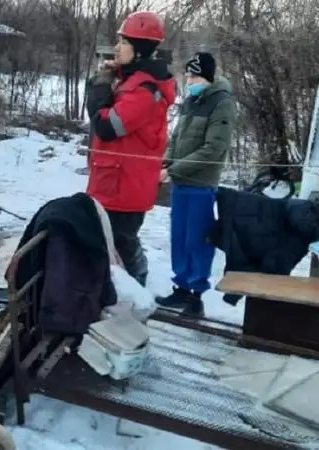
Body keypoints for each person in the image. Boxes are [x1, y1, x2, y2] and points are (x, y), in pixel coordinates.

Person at [84, 11, 177, 287]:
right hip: (114, 180)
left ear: (139, 49)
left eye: (123, 42)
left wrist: (99, 94)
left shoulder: (144, 91)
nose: (117, 47)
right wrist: (105, 79)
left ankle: (135, 288)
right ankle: (116, 288)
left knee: (122, 242)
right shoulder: (132, 81)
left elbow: (108, 127)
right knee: (110, 240)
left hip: (124, 185)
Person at [156, 52, 235, 316]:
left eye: (195, 76)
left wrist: (175, 169)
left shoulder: (221, 103)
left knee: (197, 240)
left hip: (201, 184)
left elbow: (213, 148)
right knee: (179, 237)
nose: (189, 80)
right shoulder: (191, 99)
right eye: (188, 75)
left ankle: (196, 295)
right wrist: (167, 161)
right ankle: (181, 287)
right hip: (180, 182)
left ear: (208, 77)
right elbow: (178, 136)